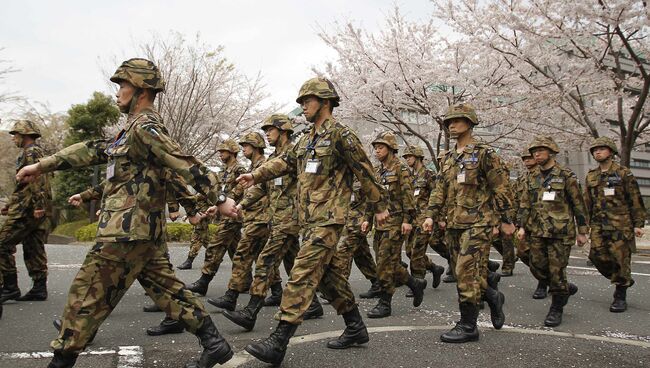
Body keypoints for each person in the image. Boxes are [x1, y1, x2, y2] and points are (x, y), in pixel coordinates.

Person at [16, 58, 238, 368]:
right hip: (139, 232)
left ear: (141, 89)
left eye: (123, 84)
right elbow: (93, 149)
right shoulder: (130, 130)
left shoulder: (145, 126)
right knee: (167, 290)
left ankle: (61, 360)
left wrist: (220, 196)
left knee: (85, 295)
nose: (117, 91)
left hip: (126, 231)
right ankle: (214, 343)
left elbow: (179, 160)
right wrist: (42, 165)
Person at [236, 77, 389, 365]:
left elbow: (364, 171)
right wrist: (254, 175)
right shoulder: (306, 139)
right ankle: (356, 327)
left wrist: (379, 207)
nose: (303, 106)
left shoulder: (342, 135)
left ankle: (278, 341)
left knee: (301, 274)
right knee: (329, 280)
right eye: (302, 101)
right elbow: (283, 162)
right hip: (310, 221)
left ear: (326, 102)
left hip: (330, 219)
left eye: (308, 100)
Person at [424, 103, 513, 343]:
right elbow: (439, 189)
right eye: (448, 122)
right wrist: (430, 215)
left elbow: (501, 187)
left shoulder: (484, 153)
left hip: (479, 223)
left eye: (457, 120)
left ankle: (468, 325)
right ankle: (492, 296)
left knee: (464, 272)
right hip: (453, 223)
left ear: (470, 122)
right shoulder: (448, 158)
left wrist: (506, 219)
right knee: (469, 272)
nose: (451, 124)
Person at [222, 114, 306, 331]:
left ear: (284, 131)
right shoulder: (273, 157)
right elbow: (262, 187)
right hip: (276, 220)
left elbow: (275, 171)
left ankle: (251, 311)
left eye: (271, 130)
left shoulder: (294, 154)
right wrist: (242, 204)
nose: (267, 133)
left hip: (289, 219)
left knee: (266, 261)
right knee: (300, 265)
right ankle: (320, 306)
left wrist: (256, 174)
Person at [517, 135, 588, 327]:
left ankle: (556, 308)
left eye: (540, 150)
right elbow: (525, 204)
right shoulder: (531, 177)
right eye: (534, 151)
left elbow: (578, 204)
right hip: (537, 230)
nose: (536, 154)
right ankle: (563, 288)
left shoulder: (566, 175)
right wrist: (521, 226)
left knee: (557, 271)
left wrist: (583, 231)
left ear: (551, 151)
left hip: (560, 232)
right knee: (536, 266)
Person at [362, 132, 426, 319]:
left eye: (380, 147)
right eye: (375, 147)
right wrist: (367, 218)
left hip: (396, 223)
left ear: (391, 149)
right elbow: (371, 198)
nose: (377, 151)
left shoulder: (401, 169)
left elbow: (408, 197)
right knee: (389, 262)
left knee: (384, 264)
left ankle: (385, 303)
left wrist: (407, 220)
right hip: (380, 224)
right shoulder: (377, 171)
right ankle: (414, 283)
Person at [208, 132, 270, 311]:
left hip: (261, 217)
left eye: (246, 146)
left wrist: (239, 206)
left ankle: (232, 297)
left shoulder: (263, 166)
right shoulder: (253, 166)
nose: (243, 149)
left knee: (245, 254)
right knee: (265, 258)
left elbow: (257, 191)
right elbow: (239, 191)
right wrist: (224, 205)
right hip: (252, 216)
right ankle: (281, 293)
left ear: (256, 147)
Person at [584, 137, 645, 313]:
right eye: (595, 150)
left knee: (621, 260)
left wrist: (638, 223)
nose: (597, 152)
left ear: (610, 152)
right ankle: (622, 278)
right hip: (598, 225)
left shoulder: (624, 173)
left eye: (601, 149)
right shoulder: (591, 176)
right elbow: (587, 201)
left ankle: (620, 294)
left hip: (620, 224)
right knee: (596, 256)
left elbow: (635, 199)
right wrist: (584, 225)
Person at [0, 119, 52, 304]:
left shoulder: (31, 152)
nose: (13, 138)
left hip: (27, 209)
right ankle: (39, 288)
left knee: (2, 243)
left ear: (24, 135)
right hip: (29, 206)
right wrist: (11, 203)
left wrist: (38, 205)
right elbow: (24, 185)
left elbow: (38, 180)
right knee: (33, 245)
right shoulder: (33, 152)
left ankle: (10, 287)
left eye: (15, 135)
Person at [186, 139, 246, 296]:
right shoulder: (224, 170)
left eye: (223, 151)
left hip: (233, 213)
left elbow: (240, 189)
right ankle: (246, 281)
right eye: (219, 152)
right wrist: (217, 205)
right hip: (226, 213)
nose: (220, 154)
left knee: (216, 245)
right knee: (237, 250)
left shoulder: (239, 169)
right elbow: (219, 190)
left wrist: (224, 203)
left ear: (232, 152)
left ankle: (203, 282)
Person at [402, 145, 445, 289]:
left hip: (424, 219)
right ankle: (434, 268)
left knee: (417, 252)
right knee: (409, 252)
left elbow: (437, 196)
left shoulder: (429, 174)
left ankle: (418, 282)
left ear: (418, 157)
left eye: (410, 156)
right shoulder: (409, 176)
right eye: (406, 157)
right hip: (411, 219)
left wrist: (439, 218)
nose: (407, 159)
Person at [341, 179, 381, 298]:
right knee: (362, 255)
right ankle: (378, 283)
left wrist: (368, 219)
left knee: (343, 252)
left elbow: (373, 197)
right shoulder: (345, 176)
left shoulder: (364, 175)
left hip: (359, 223)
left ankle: (340, 290)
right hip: (348, 221)